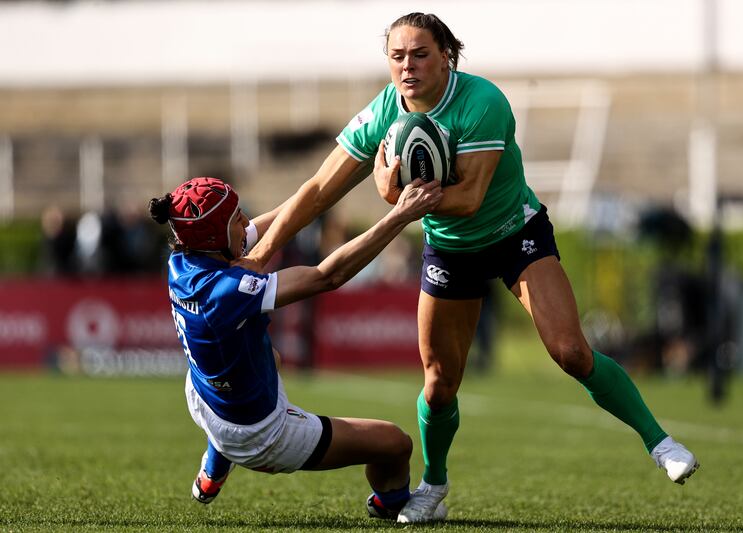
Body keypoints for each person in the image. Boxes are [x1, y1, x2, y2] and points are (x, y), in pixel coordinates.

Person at [237, 12, 700, 523]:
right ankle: (433, 486)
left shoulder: (482, 103)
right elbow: (318, 190)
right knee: (438, 383)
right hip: (450, 251)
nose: (407, 67)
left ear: (446, 57)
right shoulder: (382, 114)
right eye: (397, 57)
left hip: (513, 234)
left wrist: (392, 194)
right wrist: (259, 247)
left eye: (420, 54)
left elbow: (469, 198)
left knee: (570, 351)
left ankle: (661, 443)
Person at [148, 176, 443, 520]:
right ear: (215, 235)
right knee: (396, 444)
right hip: (257, 433)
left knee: (270, 357)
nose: (246, 222)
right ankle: (389, 504)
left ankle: (214, 466)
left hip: (203, 397)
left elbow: (279, 217)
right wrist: (399, 217)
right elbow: (326, 276)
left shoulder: (183, 260)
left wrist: (332, 182)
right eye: (237, 218)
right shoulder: (226, 292)